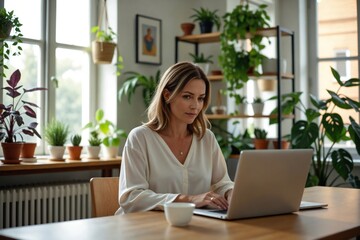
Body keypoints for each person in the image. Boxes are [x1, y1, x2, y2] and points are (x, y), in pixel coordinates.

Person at [115, 61, 234, 214]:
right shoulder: (140, 138)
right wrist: (189, 200)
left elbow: (222, 183)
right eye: (187, 97)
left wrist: (230, 193)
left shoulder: (206, 139)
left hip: (190, 226)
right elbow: (131, 197)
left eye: (200, 98)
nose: (195, 106)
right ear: (167, 95)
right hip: (142, 229)